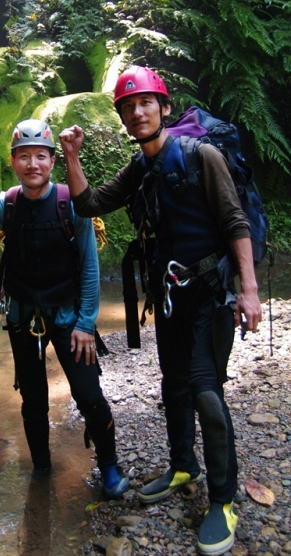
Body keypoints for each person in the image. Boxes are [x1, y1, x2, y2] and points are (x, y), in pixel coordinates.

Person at [59, 67, 262, 556]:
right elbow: (88, 204)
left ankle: (223, 499)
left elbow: (234, 220)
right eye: (129, 107)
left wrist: (249, 291)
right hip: (168, 296)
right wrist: (70, 155)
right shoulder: (140, 167)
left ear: (164, 107)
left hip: (209, 294)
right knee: (173, 383)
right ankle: (182, 465)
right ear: (125, 118)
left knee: (205, 392)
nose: (138, 112)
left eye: (146, 103)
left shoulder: (201, 155)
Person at [0, 118, 129, 498]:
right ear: (13, 162)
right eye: (24, 157)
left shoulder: (71, 204)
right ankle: (41, 470)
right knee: (33, 400)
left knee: (89, 395)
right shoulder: (6, 204)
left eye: (41, 157)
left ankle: (109, 466)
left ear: (52, 162)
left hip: (69, 317)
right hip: (23, 317)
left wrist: (85, 323)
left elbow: (90, 268)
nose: (33, 165)